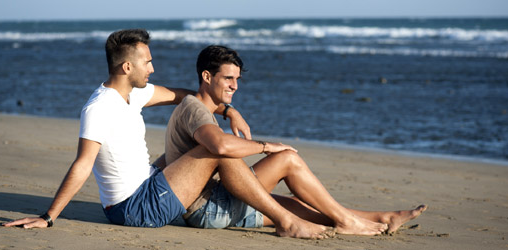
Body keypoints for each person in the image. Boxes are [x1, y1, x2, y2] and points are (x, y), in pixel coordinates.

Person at [2, 29, 335, 239]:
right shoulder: (99, 108)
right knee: (214, 148)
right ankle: (285, 221)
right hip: (135, 208)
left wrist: (230, 109)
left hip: (150, 185)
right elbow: (82, 164)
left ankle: (326, 216)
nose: (152, 68)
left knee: (203, 150)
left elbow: (189, 96)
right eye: (146, 62)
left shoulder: (135, 94)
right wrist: (48, 217)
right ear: (126, 67)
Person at [164, 45, 427, 235]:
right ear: (207, 77)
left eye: (237, 79)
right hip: (206, 209)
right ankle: (349, 221)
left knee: (294, 205)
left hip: (208, 206)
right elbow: (219, 145)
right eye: (228, 78)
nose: (235, 86)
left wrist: (230, 111)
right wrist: (267, 147)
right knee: (287, 159)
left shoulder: (195, 107)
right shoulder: (194, 110)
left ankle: (382, 218)